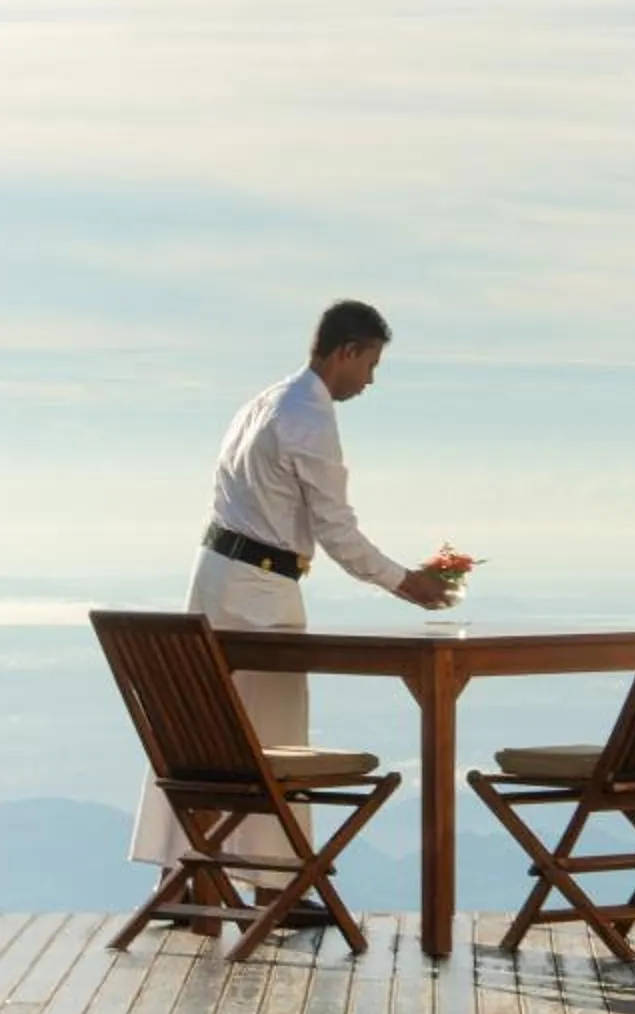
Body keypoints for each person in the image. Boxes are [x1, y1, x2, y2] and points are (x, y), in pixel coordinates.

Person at [127, 300, 452, 878]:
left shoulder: (263, 402)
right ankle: (278, 885)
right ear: (345, 352)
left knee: (203, 728)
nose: (371, 380)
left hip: (214, 578)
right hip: (261, 591)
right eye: (371, 364)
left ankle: (188, 871)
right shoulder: (310, 417)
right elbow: (336, 528)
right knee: (274, 741)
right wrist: (408, 583)